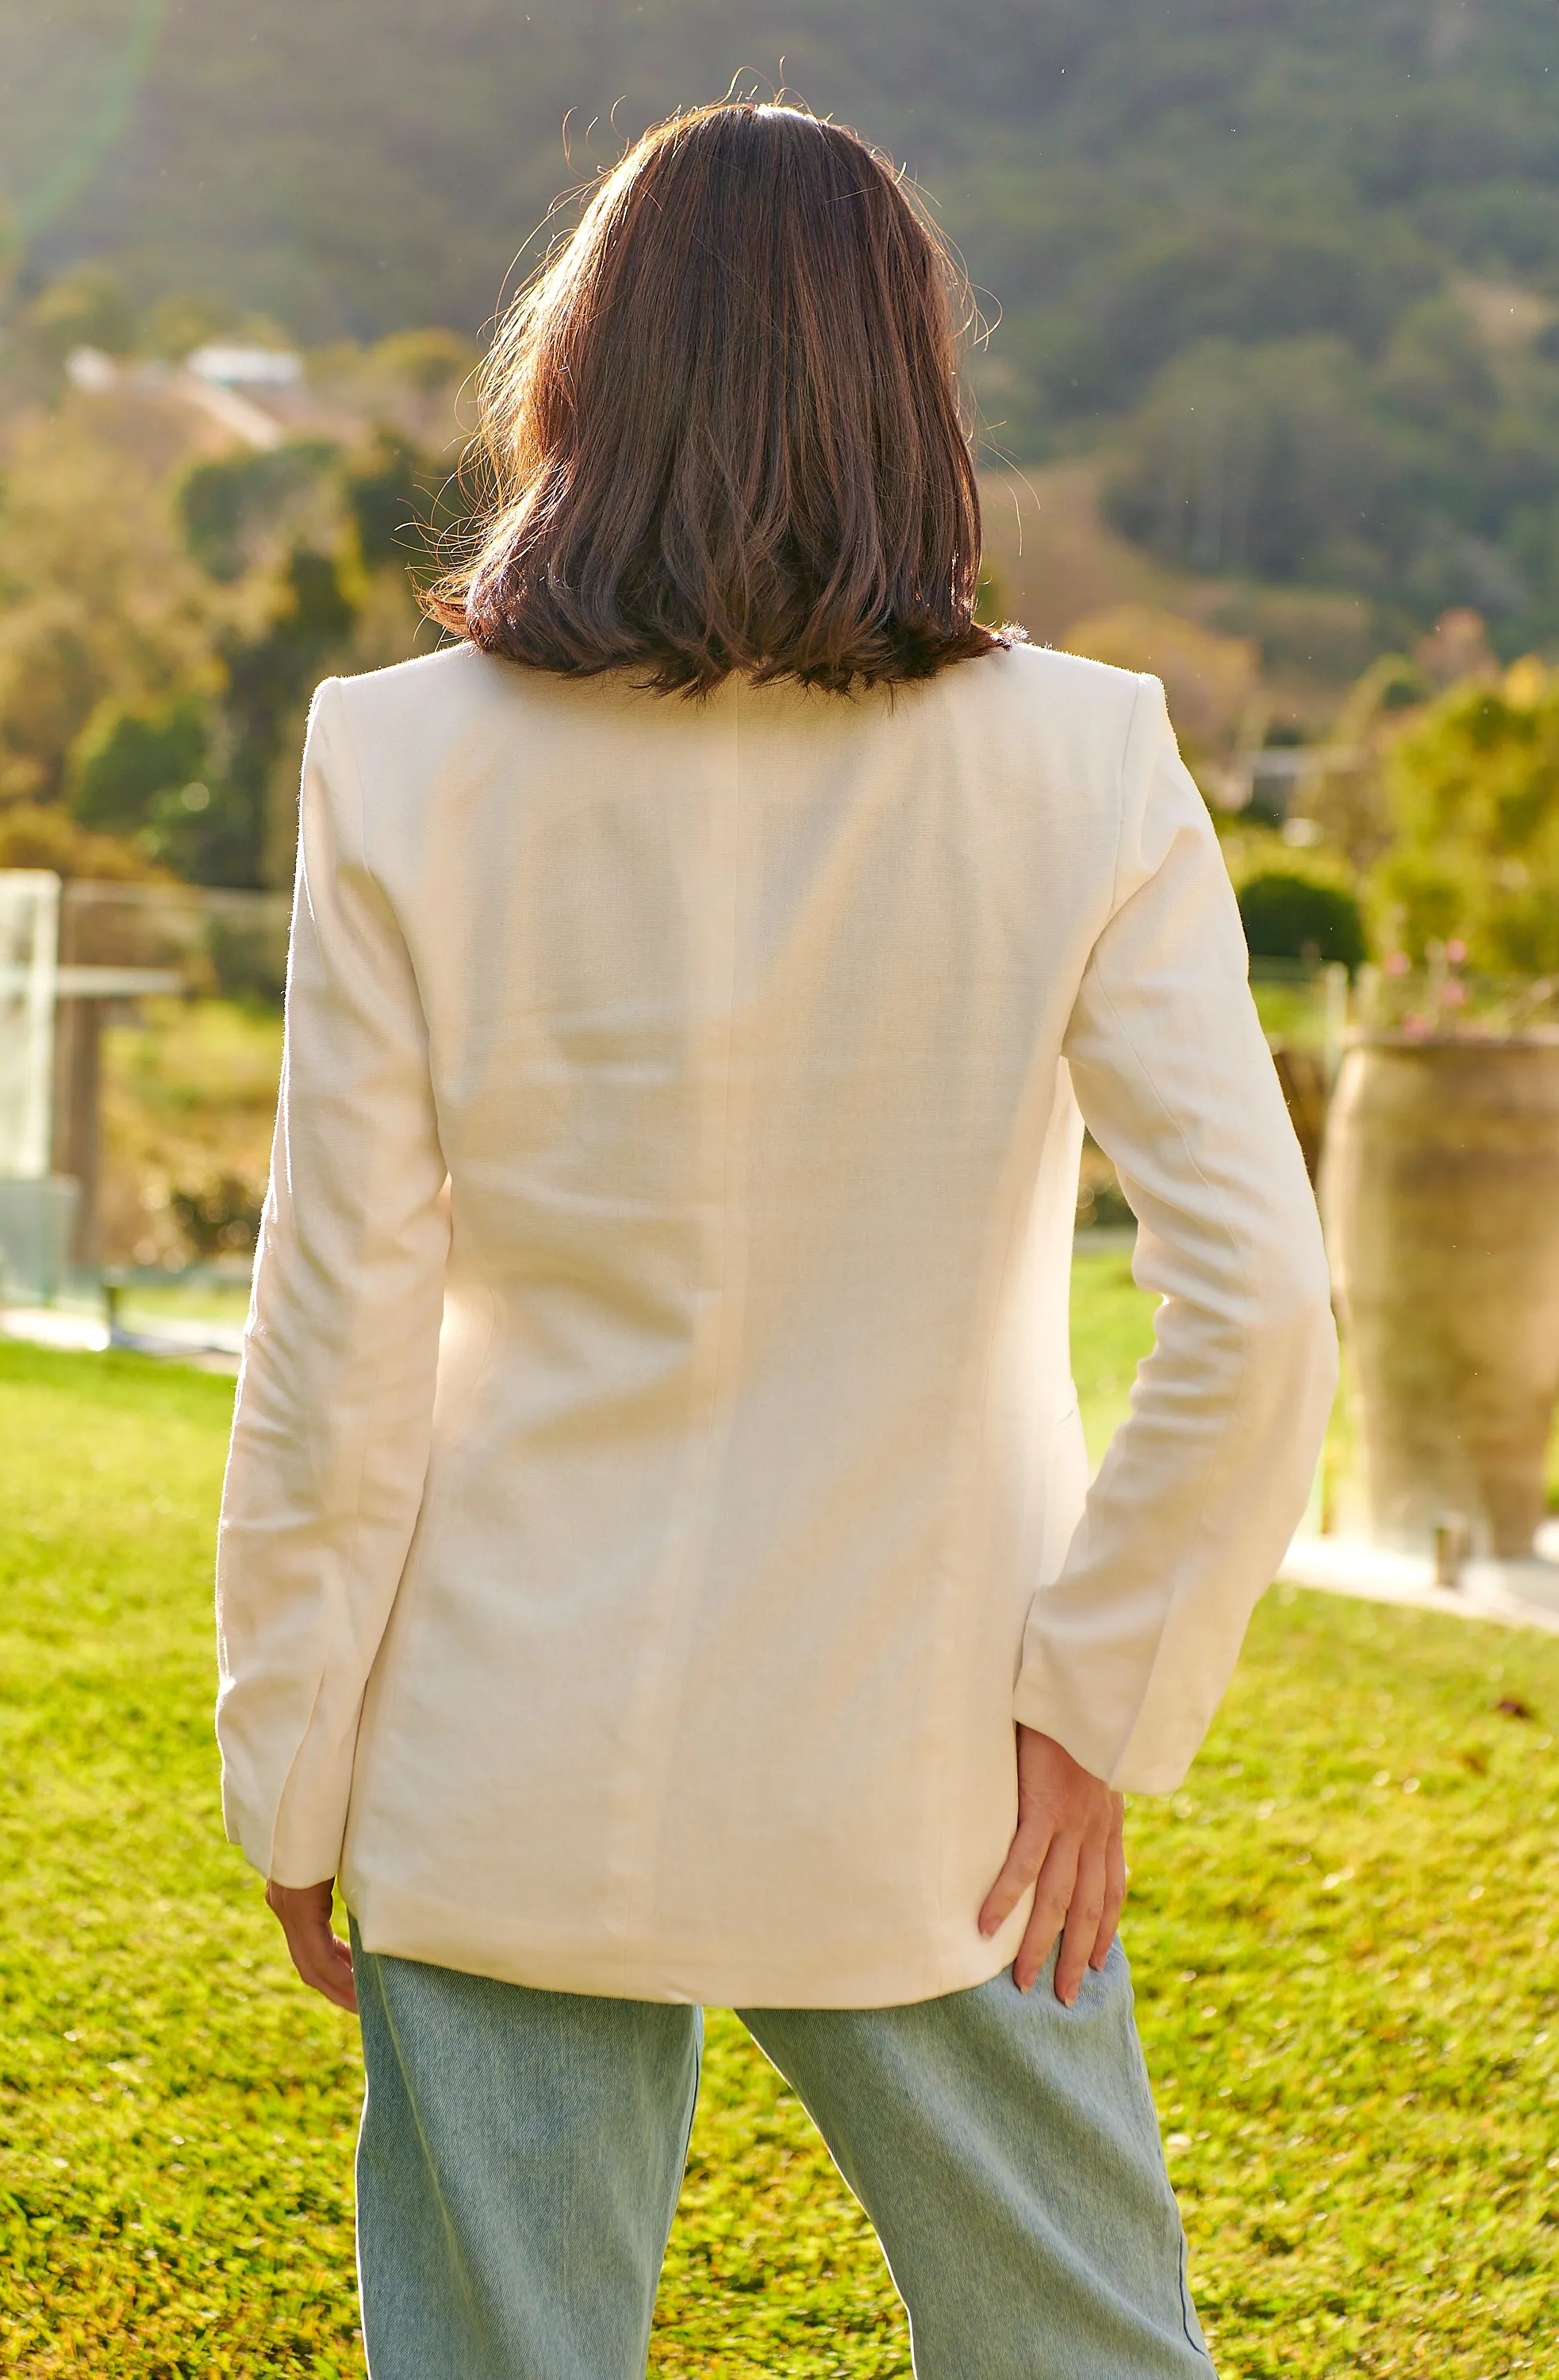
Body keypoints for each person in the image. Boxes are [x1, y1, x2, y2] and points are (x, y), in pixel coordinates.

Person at [216, 98, 1337, 2380]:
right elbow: (1266, 1298)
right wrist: (1096, 1702)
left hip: (496, 1742)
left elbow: (341, 1331)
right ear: (908, 391)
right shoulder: (1090, 761)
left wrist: (293, 1762)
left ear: (579, 381)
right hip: (945, 1781)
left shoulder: (400, 760)